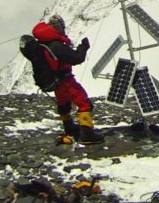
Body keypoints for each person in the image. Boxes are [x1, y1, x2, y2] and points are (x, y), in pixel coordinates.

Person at [31, 14, 104, 145]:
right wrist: (83, 47)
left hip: (56, 81)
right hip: (66, 80)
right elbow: (76, 58)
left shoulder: (44, 43)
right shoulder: (56, 45)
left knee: (64, 105)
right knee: (83, 102)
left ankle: (69, 127)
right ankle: (87, 134)